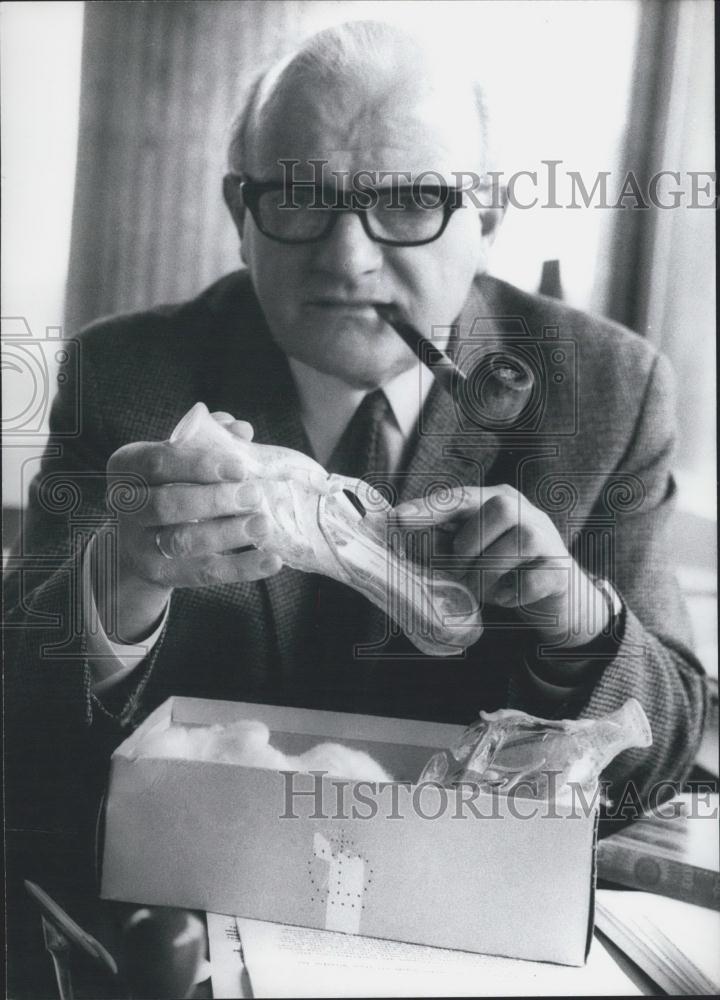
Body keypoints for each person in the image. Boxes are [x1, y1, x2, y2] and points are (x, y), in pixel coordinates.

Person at [4, 18, 707, 936]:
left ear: (487, 217)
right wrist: (119, 580)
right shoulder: (130, 373)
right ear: (239, 214)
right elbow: (18, 733)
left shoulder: (609, 389)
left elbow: (670, 746)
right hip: (176, 913)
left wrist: (578, 625)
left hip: (481, 930)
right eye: (298, 199)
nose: (347, 258)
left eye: (412, 201)